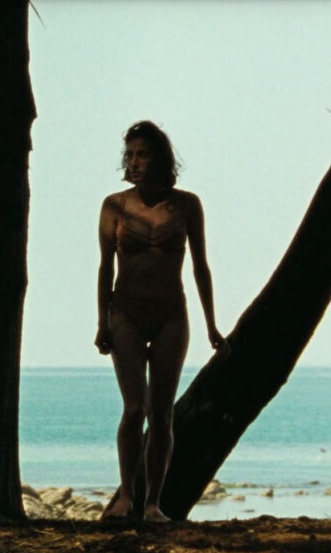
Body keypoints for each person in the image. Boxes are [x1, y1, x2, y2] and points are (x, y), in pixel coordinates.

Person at [95, 120, 227, 522]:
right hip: (126, 314)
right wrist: (102, 322)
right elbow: (105, 268)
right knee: (135, 407)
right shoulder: (115, 205)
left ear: (161, 159)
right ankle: (125, 498)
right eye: (130, 155)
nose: (134, 162)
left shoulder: (186, 205)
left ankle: (153, 504)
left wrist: (211, 324)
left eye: (143, 155)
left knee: (162, 413)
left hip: (171, 314)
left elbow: (201, 266)